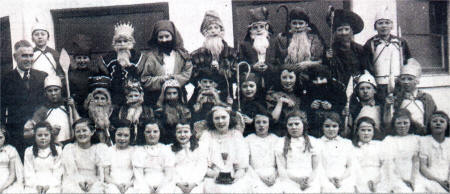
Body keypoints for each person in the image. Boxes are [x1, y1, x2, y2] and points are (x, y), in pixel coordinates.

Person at [1, 40, 47, 158]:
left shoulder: (42, 77)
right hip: (16, 133)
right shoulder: (5, 79)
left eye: (31, 55)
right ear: (15, 57)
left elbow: (46, 103)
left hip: (39, 132)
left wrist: (33, 121)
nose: (28, 59)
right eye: (24, 56)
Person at [139, 20, 192, 106]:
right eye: (161, 37)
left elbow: (187, 74)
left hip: (178, 97)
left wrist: (173, 79)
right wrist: (161, 79)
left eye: (167, 36)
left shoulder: (183, 55)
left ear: (173, 36)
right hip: (156, 99)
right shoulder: (151, 57)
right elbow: (145, 80)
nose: (164, 40)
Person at [199, 106, 251, 193]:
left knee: (240, 188)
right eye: (217, 118)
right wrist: (216, 175)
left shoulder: (237, 135)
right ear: (212, 120)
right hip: (213, 176)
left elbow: (243, 161)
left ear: (230, 118)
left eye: (224, 117)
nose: (220, 121)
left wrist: (236, 176)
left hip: (235, 174)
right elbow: (202, 160)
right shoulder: (206, 136)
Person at [363, 7, 411, 99]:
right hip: (379, 85)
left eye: (387, 23)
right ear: (375, 26)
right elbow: (366, 65)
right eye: (380, 23)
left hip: (399, 85)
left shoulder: (401, 42)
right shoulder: (370, 43)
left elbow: (408, 63)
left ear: (392, 26)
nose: (384, 26)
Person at [191, 10, 237, 104]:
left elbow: (236, 75)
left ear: (221, 30)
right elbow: (191, 76)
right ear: (205, 32)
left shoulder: (231, 53)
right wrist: (207, 72)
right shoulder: (197, 55)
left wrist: (221, 71)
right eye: (210, 28)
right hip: (202, 95)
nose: (213, 31)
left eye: (216, 27)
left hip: (225, 94)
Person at [271, 6, 325, 79]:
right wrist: (293, 67)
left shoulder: (314, 38)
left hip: (310, 74)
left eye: (301, 23)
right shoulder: (282, 38)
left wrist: (308, 64)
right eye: (294, 23)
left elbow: (320, 61)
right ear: (290, 24)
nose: (297, 26)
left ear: (306, 24)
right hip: (287, 76)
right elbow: (278, 62)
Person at [24, 75, 80, 145]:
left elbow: (79, 123)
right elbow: (28, 133)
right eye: (50, 91)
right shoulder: (42, 110)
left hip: (71, 143)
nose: (53, 93)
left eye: (56, 90)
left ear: (61, 90)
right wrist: (49, 131)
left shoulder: (68, 105)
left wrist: (73, 107)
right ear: (45, 93)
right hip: (52, 145)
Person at [385, 58, 436, 134]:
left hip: (422, 135)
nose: (406, 82)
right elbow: (388, 122)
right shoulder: (396, 99)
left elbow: (432, 118)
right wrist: (388, 107)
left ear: (416, 81)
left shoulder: (426, 98)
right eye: (403, 79)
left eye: (409, 79)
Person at [275, 111, 321, 193]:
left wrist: (308, 181)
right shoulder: (280, 143)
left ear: (303, 124)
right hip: (289, 180)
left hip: (310, 179)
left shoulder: (313, 142)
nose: (293, 127)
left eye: (297, 124)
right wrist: (298, 181)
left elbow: (316, 168)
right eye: (290, 124)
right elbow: (282, 169)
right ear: (286, 126)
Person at [324, 9, 370, 87]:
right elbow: (326, 71)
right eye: (340, 30)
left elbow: (366, 69)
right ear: (335, 33)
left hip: (357, 85)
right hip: (338, 86)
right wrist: (327, 59)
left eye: (346, 29)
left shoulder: (360, 50)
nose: (343, 33)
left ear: (352, 31)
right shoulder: (330, 50)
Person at [382, 109, 424, 193]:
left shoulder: (416, 139)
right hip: (393, 175)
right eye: (399, 123)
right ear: (394, 124)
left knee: (419, 190)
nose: (402, 126)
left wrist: (412, 179)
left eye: (405, 123)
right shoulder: (389, 140)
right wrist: (401, 179)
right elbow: (389, 164)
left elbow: (416, 162)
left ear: (410, 123)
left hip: (412, 174)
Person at [61, 118, 108, 193]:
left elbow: (101, 172)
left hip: (95, 180)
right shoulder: (69, 148)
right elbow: (70, 171)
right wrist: (79, 181)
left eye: (84, 130)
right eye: (78, 131)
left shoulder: (100, 148)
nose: (81, 134)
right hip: (74, 179)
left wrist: (92, 182)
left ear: (92, 132)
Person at [102, 22, 142, 105]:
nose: (122, 45)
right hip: (113, 97)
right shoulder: (108, 59)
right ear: (115, 43)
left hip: (133, 97)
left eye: (125, 41)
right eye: (119, 42)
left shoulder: (138, 58)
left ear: (130, 42)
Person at [69, 34, 108, 116]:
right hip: (76, 108)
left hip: (93, 108)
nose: (82, 60)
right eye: (79, 58)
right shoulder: (70, 75)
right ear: (75, 59)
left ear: (89, 59)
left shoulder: (95, 74)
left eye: (85, 57)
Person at [238, 7, 276, 90]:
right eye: (255, 27)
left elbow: (278, 63)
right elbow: (240, 65)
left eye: (261, 27)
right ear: (250, 29)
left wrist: (268, 67)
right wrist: (252, 67)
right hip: (252, 84)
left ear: (266, 27)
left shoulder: (273, 43)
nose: (259, 30)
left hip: (271, 81)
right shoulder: (244, 45)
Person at [132, 120, 175, 193]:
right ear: (143, 133)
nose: (152, 135)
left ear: (160, 132)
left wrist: (160, 187)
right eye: (148, 132)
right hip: (144, 182)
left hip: (163, 181)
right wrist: (147, 187)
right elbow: (139, 175)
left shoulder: (166, 149)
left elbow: (169, 174)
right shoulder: (139, 151)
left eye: (155, 131)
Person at [303, 65, 346, 138]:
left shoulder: (336, 88)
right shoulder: (308, 88)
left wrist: (332, 106)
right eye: (315, 79)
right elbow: (303, 105)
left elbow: (342, 104)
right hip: (314, 126)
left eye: (322, 78)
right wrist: (311, 105)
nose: (319, 81)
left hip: (332, 125)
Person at [318, 112, 356, 193]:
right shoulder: (317, 143)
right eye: (327, 126)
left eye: (334, 126)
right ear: (322, 127)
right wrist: (329, 179)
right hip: (324, 178)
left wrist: (341, 179)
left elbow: (351, 166)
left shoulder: (346, 143)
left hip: (344, 178)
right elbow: (318, 167)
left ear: (339, 127)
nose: (331, 129)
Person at [245, 111, 282, 193]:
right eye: (258, 122)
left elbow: (280, 161)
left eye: (264, 122)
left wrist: (275, 175)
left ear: (269, 124)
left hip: (274, 174)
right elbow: (245, 163)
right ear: (254, 124)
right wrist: (259, 176)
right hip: (254, 174)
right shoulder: (248, 140)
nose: (261, 125)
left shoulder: (276, 139)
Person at [24, 121, 63, 193]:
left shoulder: (58, 150)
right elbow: (29, 172)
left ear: (50, 135)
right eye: (40, 135)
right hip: (34, 183)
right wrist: (36, 185)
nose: (43, 138)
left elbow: (58, 172)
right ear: (34, 136)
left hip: (52, 183)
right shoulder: (29, 151)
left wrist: (49, 185)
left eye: (46, 135)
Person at [111, 79, 153, 145]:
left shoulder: (148, 110)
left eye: (136, 95)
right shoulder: (121, 110)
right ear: (126, 97)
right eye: (130, 96)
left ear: (141, 96)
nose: (133, 99)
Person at [170, 122, 207, 194]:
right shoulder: (169, 149)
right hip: (177, 182)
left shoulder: (200, 147)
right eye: (179, 132)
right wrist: (178, 183)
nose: (182, 135)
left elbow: (202, 166)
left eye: (186, 132)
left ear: (191, 133)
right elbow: (170, 168)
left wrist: (193, 183)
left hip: (196, 182)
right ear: (175, 134)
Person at [352, 117, 387, 193]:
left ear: (373, 132)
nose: (366, 133)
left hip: (378, 177)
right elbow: (353, 168)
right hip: (359, 178)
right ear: (357, 131)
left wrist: (376, 181)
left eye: (369, 130)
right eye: (363, 130)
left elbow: (385, 166)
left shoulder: (379, 145)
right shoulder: (352, 147)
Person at [266, 67, 304, 135]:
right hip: (280, 132)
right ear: (279, 78)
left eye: (291, 77)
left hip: (297, 131)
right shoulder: (272, 95)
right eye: (284, 77)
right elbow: (273, 119)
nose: (288, 81)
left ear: (296, 78)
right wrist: (280, 102)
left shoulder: (300, 95)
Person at [418, 111, 450, 192]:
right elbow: (423, 167)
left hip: (447, 176)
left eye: (442, 121)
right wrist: (439, 181)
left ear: (447, 125)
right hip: (430, 178)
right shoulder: (424, 141)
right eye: (434, 121)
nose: (438, 123)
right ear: (430, 125)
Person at [347, 71, 385, 139]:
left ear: (374, 90)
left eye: (368, 88)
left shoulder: (382, 108)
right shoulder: (354, 109)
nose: (365, 91)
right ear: (358, 91)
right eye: (362, 88)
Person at [104, 120, 136, 194]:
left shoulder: (134, 151)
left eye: (126, 135)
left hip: (130, 185)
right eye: (119, 135)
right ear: (114, 134)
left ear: (130, 136)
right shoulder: (109, 151)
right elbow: (106, 175)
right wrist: (117, 185)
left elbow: (137, 174)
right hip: (112, 184)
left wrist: (129, 184)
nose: (122, 138)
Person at [155, 79, 191, 144]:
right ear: (164, 95)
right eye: (169, 93)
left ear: (179, 94)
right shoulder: (159, 112)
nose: (172, 97)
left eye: (174, 93)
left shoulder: (186, 111)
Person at [0, 125, 23, 193]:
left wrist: (2, 188)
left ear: (5, 138)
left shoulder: (10, 150)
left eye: (0, 137)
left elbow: (12, 174)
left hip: (6, 179)